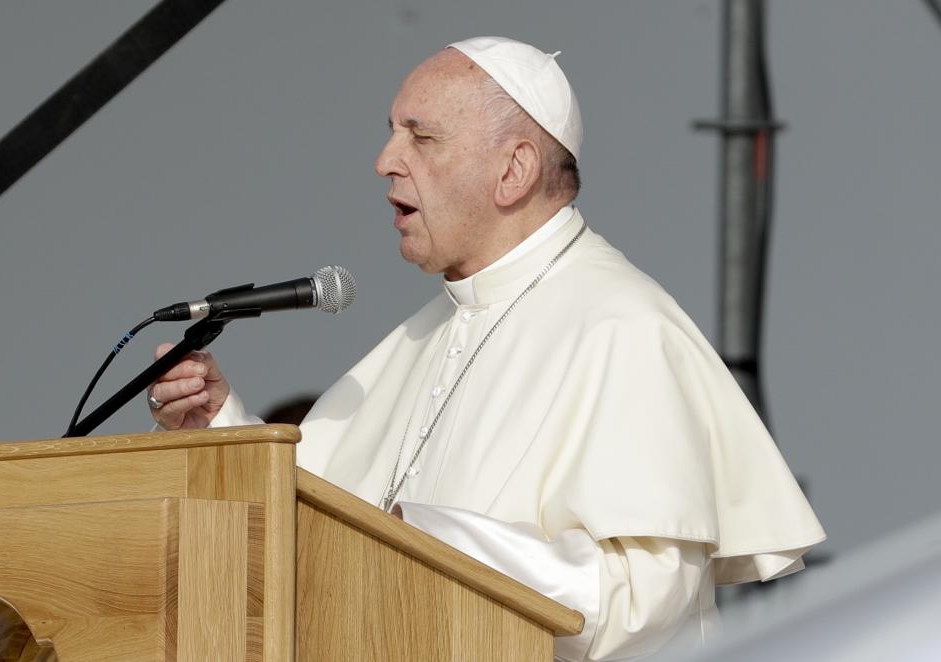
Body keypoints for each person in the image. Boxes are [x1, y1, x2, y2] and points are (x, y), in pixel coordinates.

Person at [147, 37, 825, 661]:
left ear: (514, 171)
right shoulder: (426, 332)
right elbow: (314, 543)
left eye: (422, 137)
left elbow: (644, 606)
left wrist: (435, 544)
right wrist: (216, 428)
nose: (385, 161)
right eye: (390, 133)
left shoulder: (625, 326)